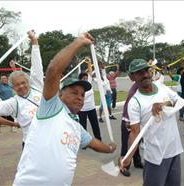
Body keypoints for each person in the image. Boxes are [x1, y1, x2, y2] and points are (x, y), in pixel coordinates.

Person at [13, 32, 117, 186]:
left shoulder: (76, 127)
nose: (80, 97)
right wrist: (79, 42)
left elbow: (93, 143)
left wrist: (109, 148)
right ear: (60, 95)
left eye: (82, 95)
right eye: (74, 92)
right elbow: (53, 71)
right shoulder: (51, 108)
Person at [121, 59, 183, 186]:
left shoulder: (161, 87)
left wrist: (164, 104)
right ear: (132, 77)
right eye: (139, 72)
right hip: (156, 157)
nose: (145, 74)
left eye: (146, 70)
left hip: (174, 150)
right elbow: (134, 132)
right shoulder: (135, 102)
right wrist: (128, 156)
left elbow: (180, 101)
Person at [119, 82, 143, 177]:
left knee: (136, 142)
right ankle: (123, 166)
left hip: (136, 121)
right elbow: (129, 107)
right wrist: (128, 121)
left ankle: (137, 162)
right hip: (127, 121)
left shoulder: (142, 89)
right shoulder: (135, 91)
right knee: (126, 145)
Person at [78, 57, 102, 141]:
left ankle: (98, 139)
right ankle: (83, 141)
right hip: (82, 109)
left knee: (95, 124)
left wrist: (89, 62)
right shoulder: (79, 88)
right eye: (83, 79)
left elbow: (90, 72)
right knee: (82, 126)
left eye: (86, 78)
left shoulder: (89, 83)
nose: (85, 80)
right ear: (80, 80)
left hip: (91, 108)